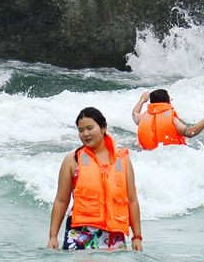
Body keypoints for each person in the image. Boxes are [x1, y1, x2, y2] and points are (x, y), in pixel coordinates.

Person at [47, 107, 144, 251]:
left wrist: (137, 237)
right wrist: (53, 236)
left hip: (113, 235)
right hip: (80, 234)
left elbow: (132, 199)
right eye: (80, 130)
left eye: (90, 128)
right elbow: (61, 200)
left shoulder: (122, 160)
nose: (85, 134)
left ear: (103, 128)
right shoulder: (72, 160)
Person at [131, 89, 204, 150]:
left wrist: (142, 100)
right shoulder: (172, 120)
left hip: (145, 156)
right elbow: (189, 133)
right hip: (171, 156)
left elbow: (134, 113)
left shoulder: (142, 118)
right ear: (168, 102)